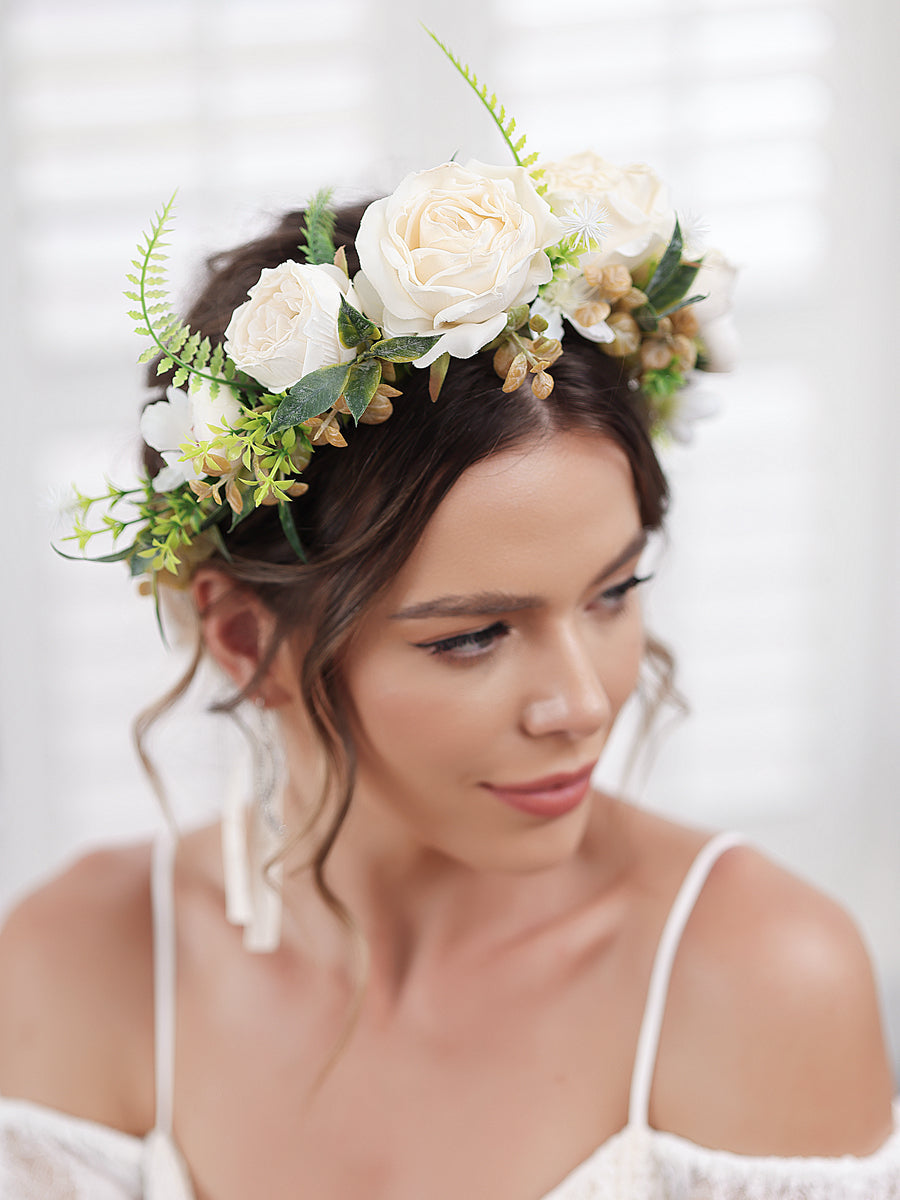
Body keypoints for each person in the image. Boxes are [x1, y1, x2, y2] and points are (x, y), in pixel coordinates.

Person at [0, 61, 898, 1197]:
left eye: (613, 593)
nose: (582, 703)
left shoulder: (760, 981)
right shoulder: (77, 967)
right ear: (244, 641)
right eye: (472, 636)